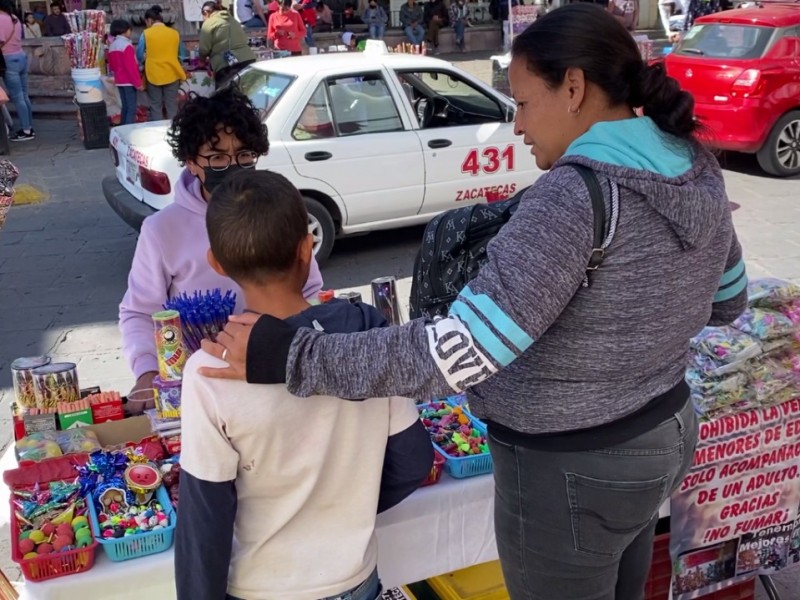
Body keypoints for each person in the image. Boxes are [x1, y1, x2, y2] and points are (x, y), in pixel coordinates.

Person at [201, 5, 751, 599]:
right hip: (662, 433)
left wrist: (293, 358)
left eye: (522, 101)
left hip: (572, 466)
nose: (517, 126)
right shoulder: (695, 167)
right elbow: (728, 300)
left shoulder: (575, 198)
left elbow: (457, 353)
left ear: (573, 87)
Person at [175, 169, 432, 600]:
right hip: (355, 578)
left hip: (262, 587)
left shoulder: (209, 370)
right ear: (307, 247)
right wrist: (348, 507)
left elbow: (205, 521)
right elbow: (412, 460)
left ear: (215, 263)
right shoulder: (366, 336)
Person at [119, 87, 323, 398]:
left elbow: (309, 291)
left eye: (243, 155)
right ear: (191, 162)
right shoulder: (161, 230)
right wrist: (147, 371)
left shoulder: (279, 209)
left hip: (277, 370)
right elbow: (140, 312)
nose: (232, 166)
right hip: (200, 382)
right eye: (216, 158)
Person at [137, 5, 186, 121]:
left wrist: (146, 59)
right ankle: (174, 132)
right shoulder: (174, 33)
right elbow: (182, 55)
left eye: (146, 22)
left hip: (153, 74)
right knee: (171, 105)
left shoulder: (146, 34)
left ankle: (156, 133)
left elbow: (139, 55)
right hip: (172, 73)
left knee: (155, 106)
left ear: (149, 20)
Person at [199, 1, 256, 89]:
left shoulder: (209, 22)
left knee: (225, 96)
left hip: (227, 66)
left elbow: (204, 48)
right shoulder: (232, 20)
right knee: (248, 93)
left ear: (206, 12)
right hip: (249, 60)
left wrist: (202, 61)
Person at [0, 0, 34, 141]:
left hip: (9, 59)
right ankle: (29, 127)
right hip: (21, 56)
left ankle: (26, 131)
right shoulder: (15, 18)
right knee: (24, 95)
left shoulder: (1, 19)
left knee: (18, 97)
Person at [107, 19, 142, 126]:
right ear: (125, 30)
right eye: (129, 30)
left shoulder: (112, 45)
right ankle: (128, 130)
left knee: (125, 106)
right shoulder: (126, 45)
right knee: (131, 107)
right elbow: (131, 67)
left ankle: (122, 127)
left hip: (119, 80)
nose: (130, 32)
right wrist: (138, 83)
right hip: (129, 81)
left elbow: (112, 65)